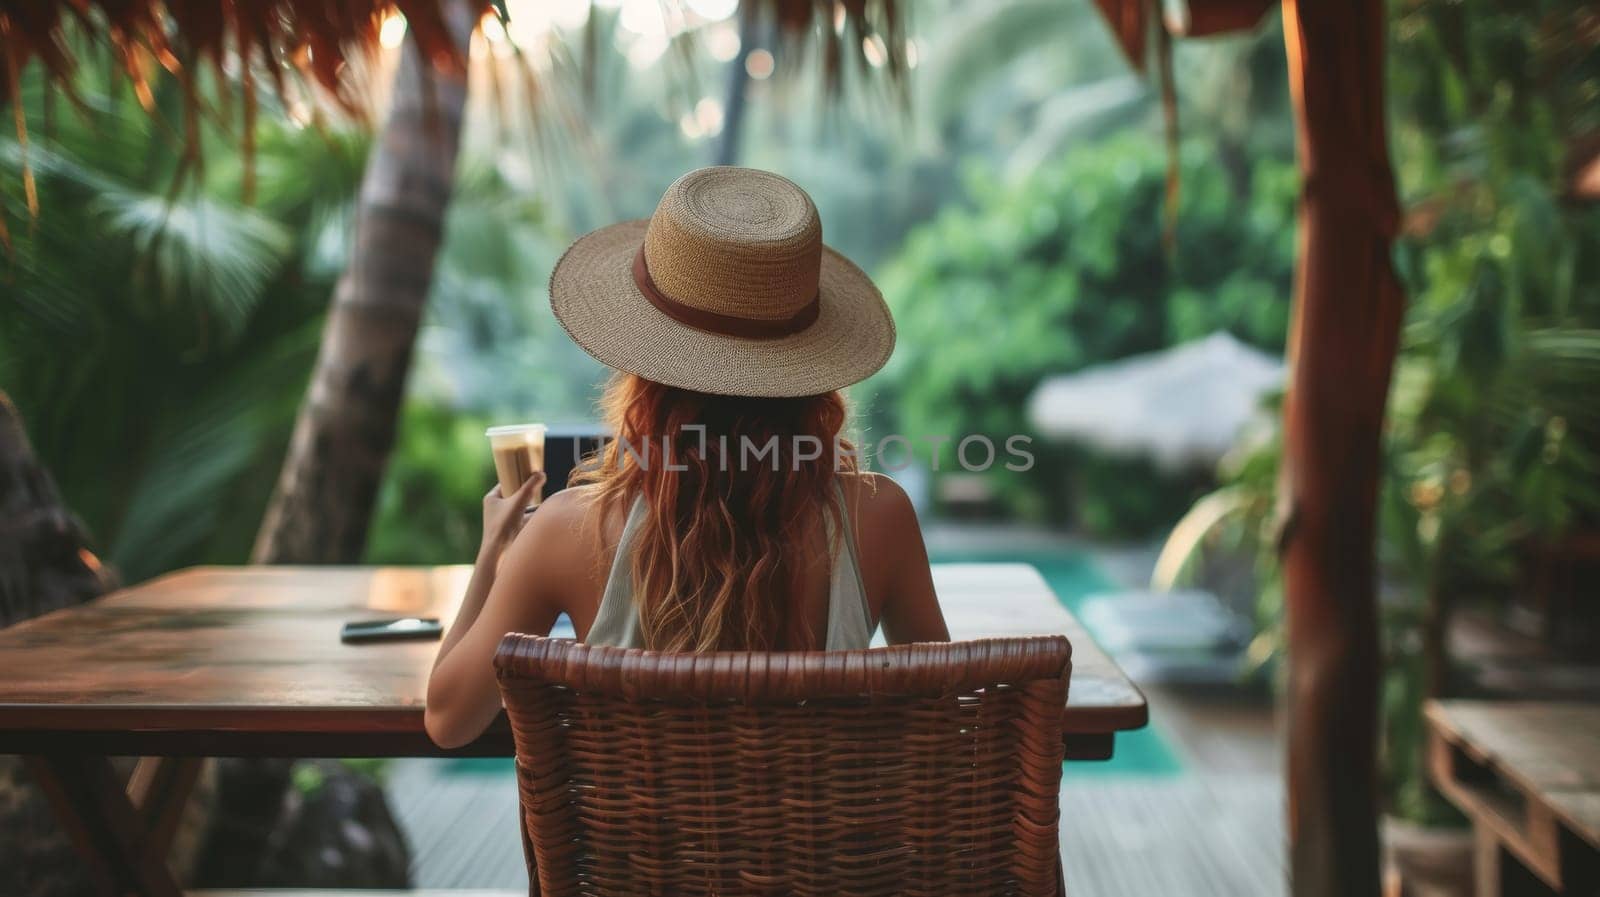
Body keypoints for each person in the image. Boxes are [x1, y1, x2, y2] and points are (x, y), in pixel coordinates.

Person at [425, 167, 948, 749]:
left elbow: (449, 720)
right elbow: (941, 720)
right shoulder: (879, 518)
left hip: (626, 844)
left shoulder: (566, 530)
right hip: (834, 840)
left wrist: (493, 550)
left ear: (645, 371)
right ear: (812, 374)